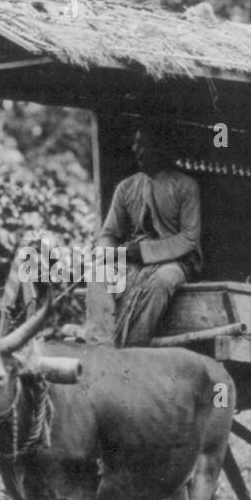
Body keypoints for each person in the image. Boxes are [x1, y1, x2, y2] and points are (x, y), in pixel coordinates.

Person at [96, 124, 202, 346]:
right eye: (135, 145)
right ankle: (99, 344)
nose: (137, 150)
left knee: (162, 281)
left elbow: (190, 238)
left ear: (162, 149)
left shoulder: (186, 186)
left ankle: (134, 348)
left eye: (144, 146)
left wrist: (144, 251)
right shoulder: (126, 188)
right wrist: (107, 255)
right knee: (101, 276)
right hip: (134, 263)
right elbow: (109, 233)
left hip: (175, 262)